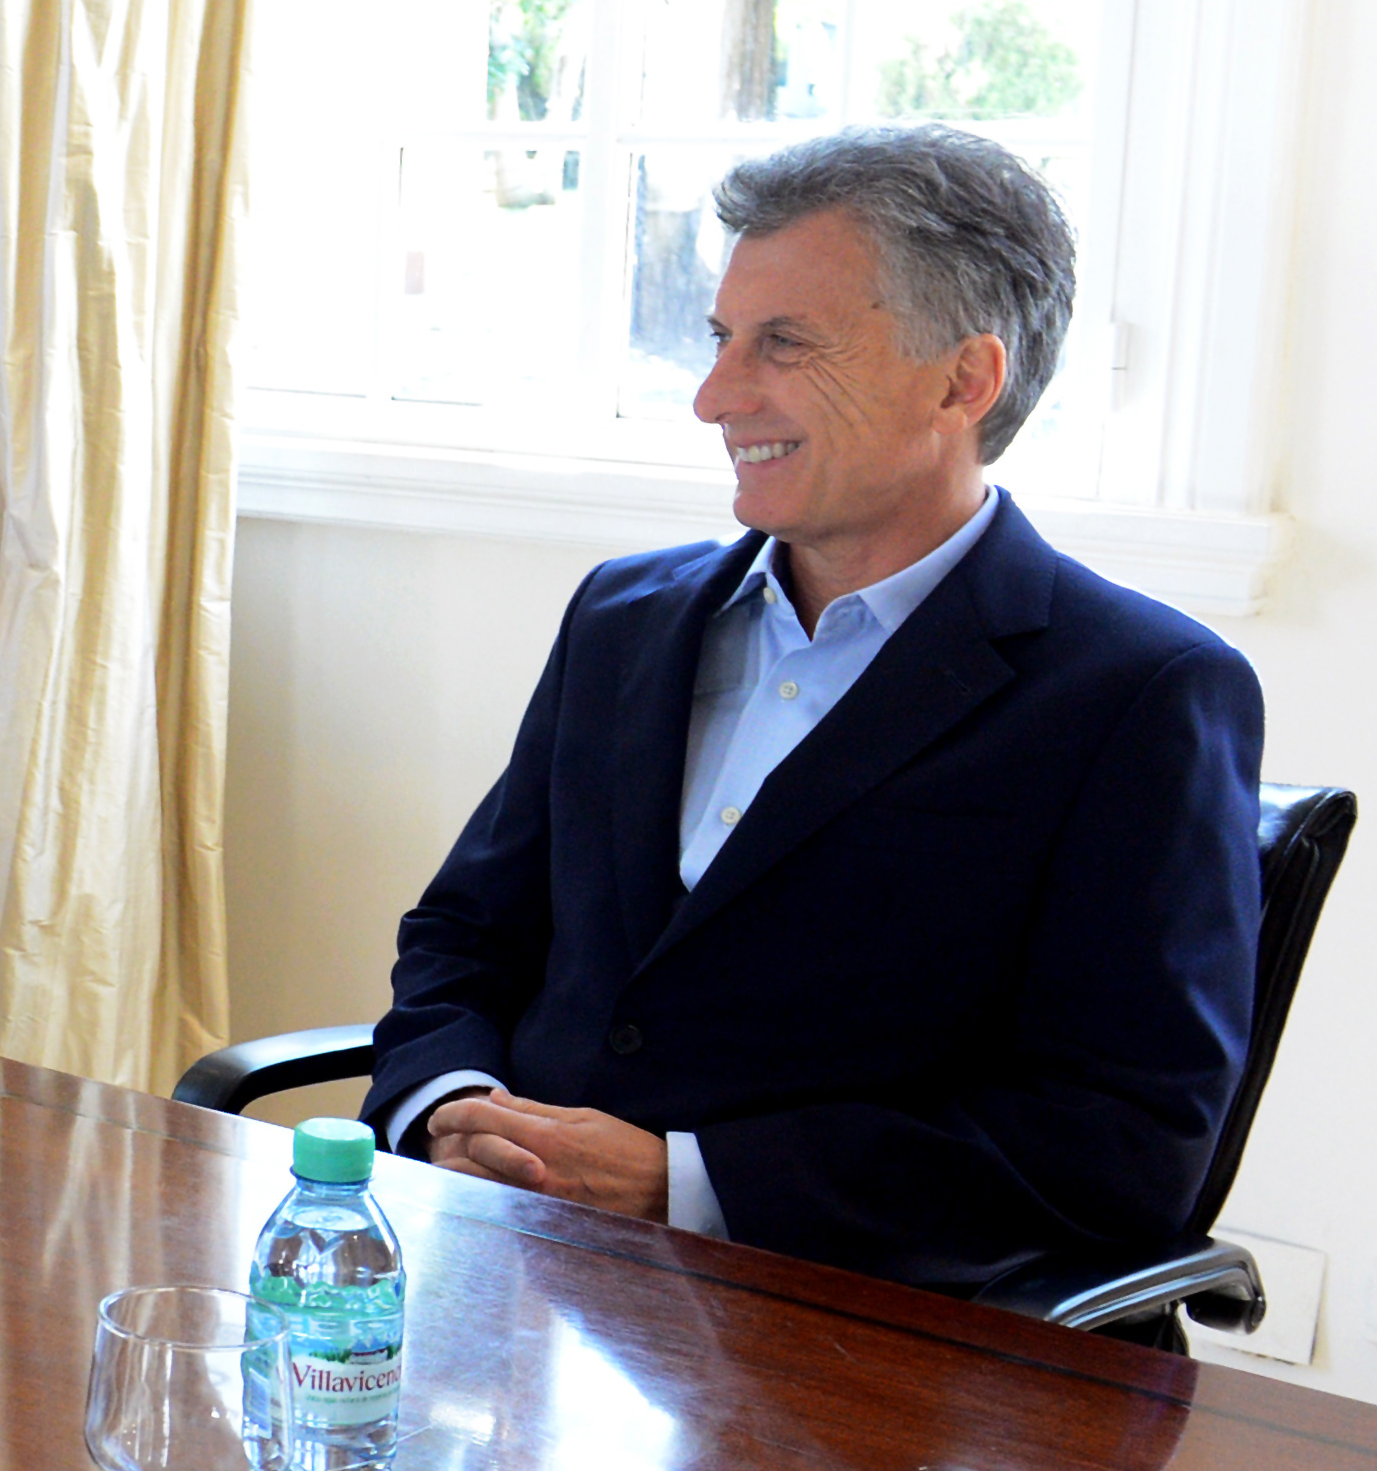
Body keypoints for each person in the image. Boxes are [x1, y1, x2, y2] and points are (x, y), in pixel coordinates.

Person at [364, 125, 1261, 1294]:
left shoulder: (1140, 693)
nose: (713, 395)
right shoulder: (622, 616)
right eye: (722, 338)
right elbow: (468, 936)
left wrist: (681, 1181)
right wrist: (456, 1107)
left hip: (851, 1335)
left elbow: (1126, 1139)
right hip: (520, 1272)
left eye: (783, 344)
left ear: (964, 379)